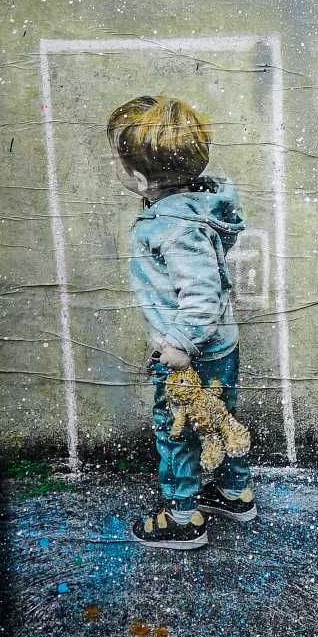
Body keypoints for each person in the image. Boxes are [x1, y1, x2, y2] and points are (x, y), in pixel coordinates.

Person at [107, 96, 255, 550]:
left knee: (178, 433)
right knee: (219, 418)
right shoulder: (195, 207)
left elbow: (202, 296)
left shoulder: (174, 227)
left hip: (191, 354)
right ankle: (235, 492)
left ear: (138, 178)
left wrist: (178, 344)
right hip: (218, 345)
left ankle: (182, 518)